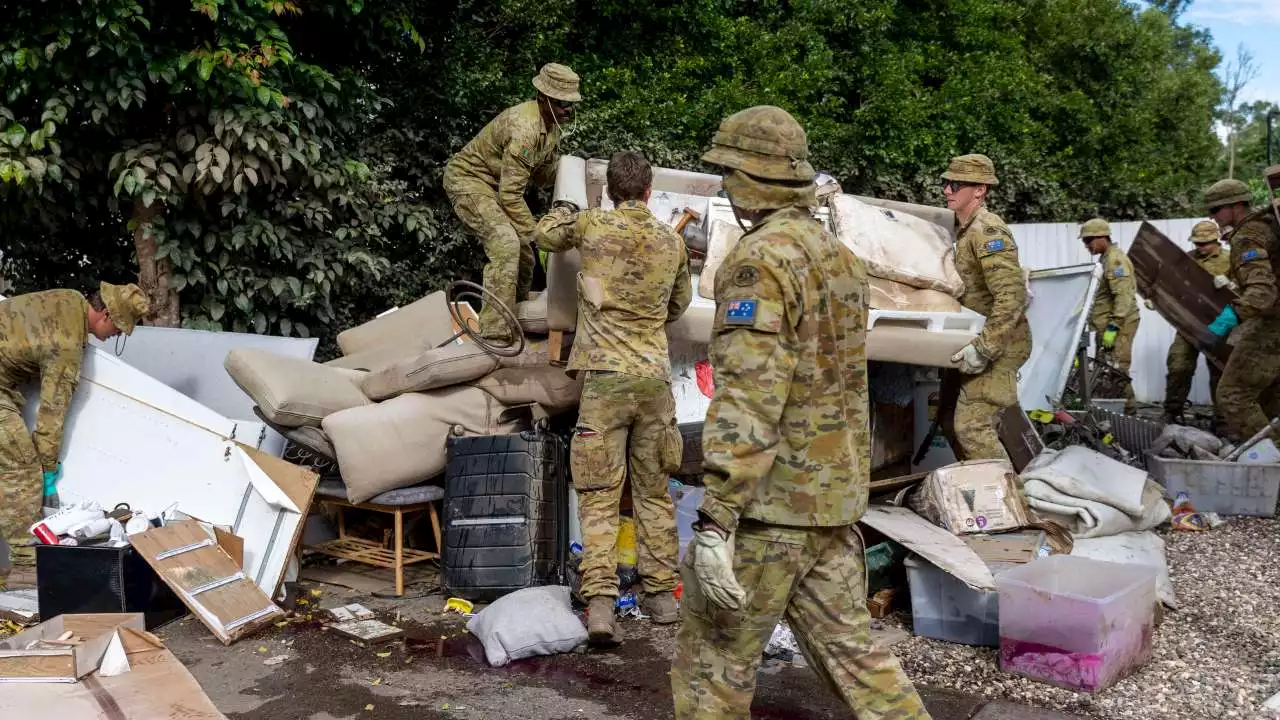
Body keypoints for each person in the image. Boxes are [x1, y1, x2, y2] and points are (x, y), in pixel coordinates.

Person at [671, 106, 929, 719]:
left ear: (749, 179)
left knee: (714, 665)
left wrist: (715, 518)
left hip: (769, 511)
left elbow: (750, 397)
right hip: (832, 502)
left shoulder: (759, 262)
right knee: (856, 658)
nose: (725, 185)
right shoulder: (839, 259)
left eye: (728, 172)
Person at [533, 151, 691, 645]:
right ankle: (662, 596)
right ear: (648, 191)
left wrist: (562, 208)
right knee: (654, 493)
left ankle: (600, 607)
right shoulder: (672, 241)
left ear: (611, 190)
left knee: (600, 496)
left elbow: (543, 236)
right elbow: (679, 304)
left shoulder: (593, 226)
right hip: (652, 382)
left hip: (604, 382)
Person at [0, 282, 150, 578]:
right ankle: (26, 566)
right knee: (20, 469)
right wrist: (47, 470)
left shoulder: (68, 299)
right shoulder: (68, 342)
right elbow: (52, 413)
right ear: (106, 314)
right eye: (119, 329)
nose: (115, 335)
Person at [444, 63, 581, 341]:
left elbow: (541, 175)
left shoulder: (551, 126)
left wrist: (570, 166)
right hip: (469, 181)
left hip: (497, 187)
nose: (567, 109)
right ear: (543, 99)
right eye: (561, 103)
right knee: (505, 243)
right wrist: (538, 233)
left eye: (570, 103)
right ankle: (495, 333)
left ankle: (515, 318)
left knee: (526, 255)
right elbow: (510, 195)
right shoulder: (525, 129)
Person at [942, 154, 1031, 461]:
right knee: (947, 419)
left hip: (1001, 345)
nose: (946, 190)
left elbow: (1011, 296)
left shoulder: (988, 231)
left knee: (971, 427)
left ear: (979, 190)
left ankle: (1008, 500)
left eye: (955, 184)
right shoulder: (963, 230)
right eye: (945, 183)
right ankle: (974, 489)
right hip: (973, 339)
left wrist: (985, 349)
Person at [1205, 169, 1280, 442]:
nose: (1213, 216)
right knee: (1270, 399)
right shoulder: (1269, 224)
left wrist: (1228, 318)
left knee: (1232, 395)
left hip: (1273, 325)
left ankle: (1271, 461)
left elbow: (1262, 294)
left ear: (1237, 206)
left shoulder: (1248, 235)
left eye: (1216, 209)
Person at [1161, 220, 1231, 424]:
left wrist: (1231, 284)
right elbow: (1173, 281)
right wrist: (1159, 297)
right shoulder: (1187, 259)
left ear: (1215, 239)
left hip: (1219, 324)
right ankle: (1172, 411)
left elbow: (1244, 290)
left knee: (1219, 371)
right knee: (1178, 365)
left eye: (1204, 243)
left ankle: (1223, 420)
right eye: (1197, 243)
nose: (1199, 247)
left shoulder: (1230, 259)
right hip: (1189, 322)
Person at [1081, 218, 1140, 414]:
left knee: (1116, 369)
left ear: (1101, 237)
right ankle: (1120, 411)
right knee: (1108, 367)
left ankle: (1130, 413)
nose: (1086, 245)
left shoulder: (1115, 260)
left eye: (1088, 241)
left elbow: (1123, 296)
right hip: (1107, 325)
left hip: (1117, 325)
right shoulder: (1106, 258)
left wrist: (1114, 327)